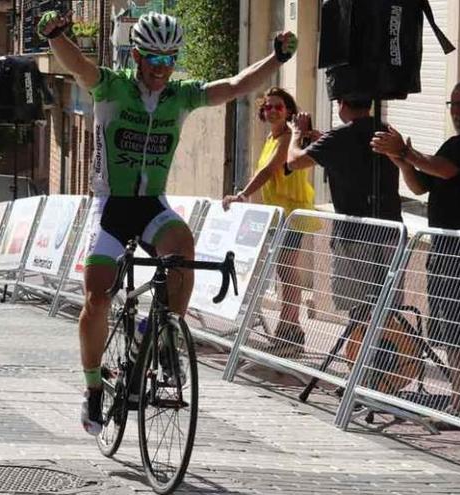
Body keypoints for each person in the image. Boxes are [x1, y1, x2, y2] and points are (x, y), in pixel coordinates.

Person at [37, 9, 298, 435]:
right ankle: (92, 388)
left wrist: (277, 60)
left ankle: (162, 336)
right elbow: (79, 66)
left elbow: (233, 87)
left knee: (183, 247)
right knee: (97, 299)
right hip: (111, 206)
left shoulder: (180, 96)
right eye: (154, 59)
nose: (162, 69)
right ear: (136, 56)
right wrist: (55, 36)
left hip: (151, 205)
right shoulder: (112, 87)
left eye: (170, 59)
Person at [371, 79, 460, 419]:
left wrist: (407, 152)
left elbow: (442, 170)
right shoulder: (453, 143)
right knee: (446, 323)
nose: (458, 111)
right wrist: (402, 162)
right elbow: (421, 185)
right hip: (442, 246)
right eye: (453, 105)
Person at [285, 98, 402, 313]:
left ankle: (366, 346)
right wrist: (323, 142)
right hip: (391, 234)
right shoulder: (386, 132)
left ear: (342, 104)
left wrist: (296, 134)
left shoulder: (339, 137)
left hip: (354, 236)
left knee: (359, 311)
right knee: (387, 310)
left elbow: (293, 161)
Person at [222, 87, 314, 357]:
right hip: (278, 215)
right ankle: (287, 330)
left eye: (279, 107)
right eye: (269, 107)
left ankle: (290, 330)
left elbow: (268, 170)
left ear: (289, 111)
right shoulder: (272, 138)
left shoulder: (287, 138)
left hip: (293, 213)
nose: (273, 111)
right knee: (283, 272)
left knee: (287, 272)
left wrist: (242, 194)